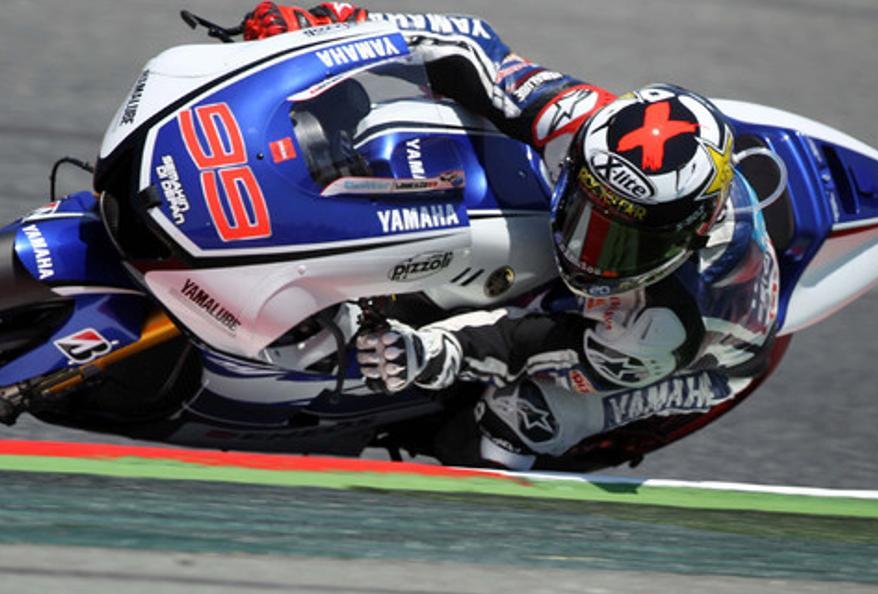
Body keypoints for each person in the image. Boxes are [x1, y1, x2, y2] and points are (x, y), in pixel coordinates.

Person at [244, 3, 782, 470]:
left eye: (624, 240)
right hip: (635, 294)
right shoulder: (595, 128)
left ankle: (478, 534)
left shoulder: (662, 327)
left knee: (518, 418)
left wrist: (428, 353)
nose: (591, 248)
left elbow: (531, 347)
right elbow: (473, 51)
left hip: (688, 360)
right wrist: (336, 29)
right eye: (588, 214)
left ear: (690, 235)